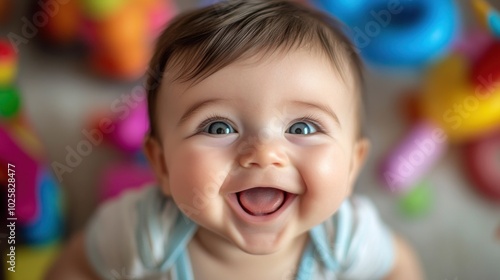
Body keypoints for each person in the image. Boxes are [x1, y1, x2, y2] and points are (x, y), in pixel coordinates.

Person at [46, 0, 424, 279]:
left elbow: (400, 268)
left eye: (303, 128)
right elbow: (78, 266)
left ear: (353, 164)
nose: (264, 154)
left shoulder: (347, 238)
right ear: (161, 163)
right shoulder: (142, 233)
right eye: (218, 128)